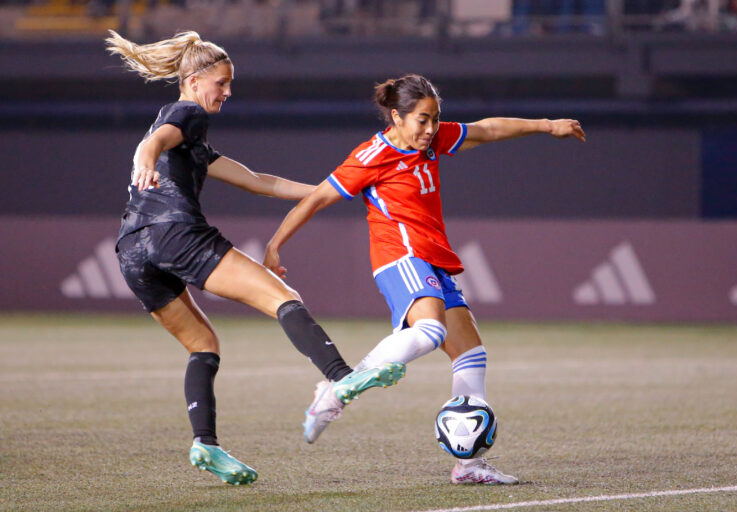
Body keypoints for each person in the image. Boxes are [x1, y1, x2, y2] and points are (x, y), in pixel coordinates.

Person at [104, 30, 405, 486]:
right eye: (221, 82)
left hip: (131, 250)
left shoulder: (193, 142)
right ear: (194, 78)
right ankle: (340, 377)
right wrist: (145, 157)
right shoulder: (186, 113)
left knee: (203, 346)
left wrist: (334, 192)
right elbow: (156, 141)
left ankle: (205, 443)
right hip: (174, 232)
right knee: (282, 296)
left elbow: (260, 181)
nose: (228, 92)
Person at [264, 74, 586, 485]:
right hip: (399, 254)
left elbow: (486, 129)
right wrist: (275, 246)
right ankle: (337, 389)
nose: (430, 129)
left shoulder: (431, 141)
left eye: (435, 119)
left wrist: (546, 125)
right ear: (396, 116)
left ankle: (468, 467)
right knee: (430, 330)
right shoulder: (370, 155)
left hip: (433, 257)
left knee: (471, 354)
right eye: (421, 120)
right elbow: (316, 199)